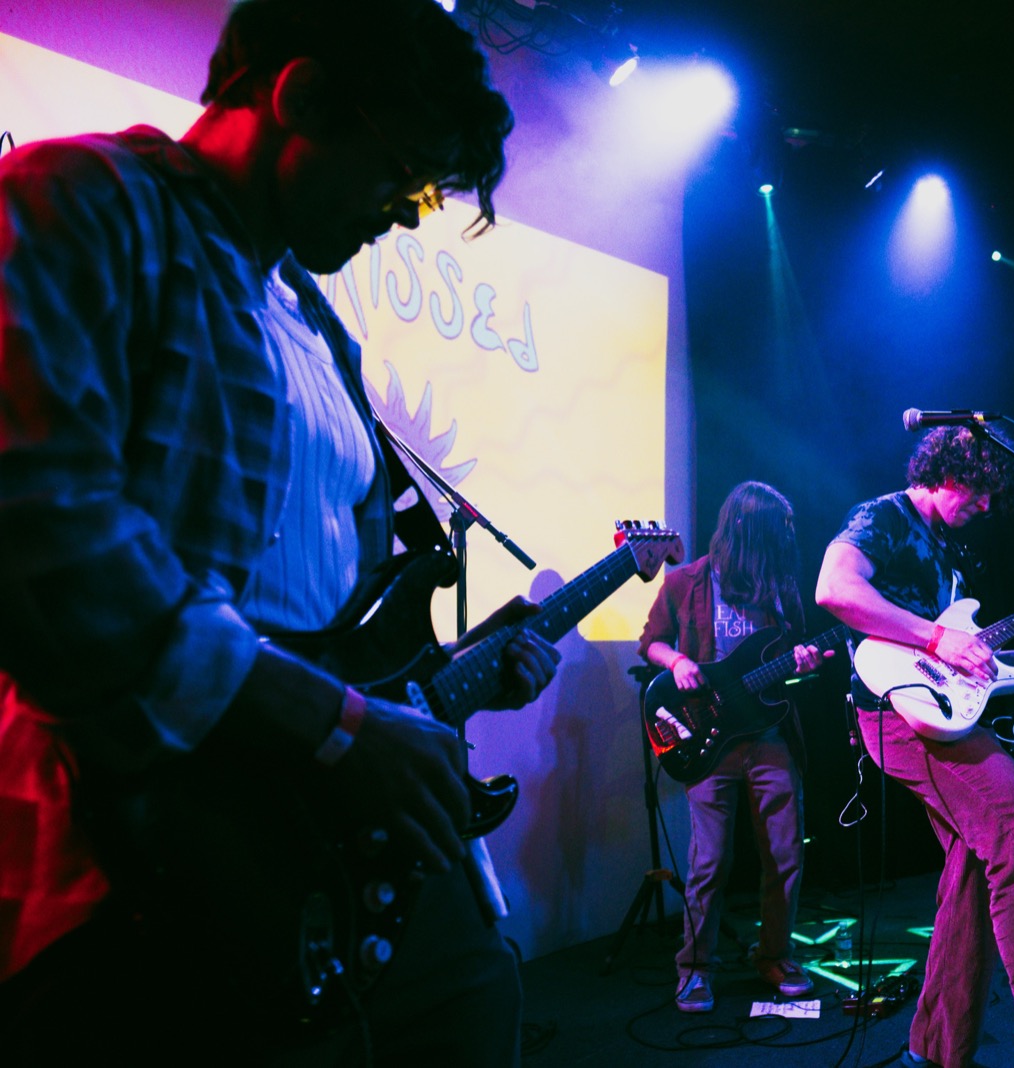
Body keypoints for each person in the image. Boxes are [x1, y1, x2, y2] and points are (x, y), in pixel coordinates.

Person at [0, 1, 562, 1063]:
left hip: (323, 844)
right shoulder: (84, 200)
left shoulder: (317, 325)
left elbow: (341, 622)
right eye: (407, 175)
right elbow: (39, 526)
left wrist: (435, 683)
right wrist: (334, 724)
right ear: (300, 95)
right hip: (144, 853)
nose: (407, 217)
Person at [815, 427, 1014, 1068]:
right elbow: (835, 590)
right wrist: (933, 638)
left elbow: (965, 656)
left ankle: (936, 1049)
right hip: (896, 713)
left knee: (975, 866)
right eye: (980, 492)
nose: (986, 506)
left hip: (940, 711)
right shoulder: (882, 517)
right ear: (949, 472)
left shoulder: (953, 550)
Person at [639, 481, 827, 1013]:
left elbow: (793, 660)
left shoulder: (781, 586)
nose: (783, 542)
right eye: (774, 532)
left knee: (785, 854)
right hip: (710, 740)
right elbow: (650, 641)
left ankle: (776, 956)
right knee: (710, 861)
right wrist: (677, 661)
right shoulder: (685, 582)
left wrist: (804, 663)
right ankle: (696, 968)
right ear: (746, 529)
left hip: (769, 737)